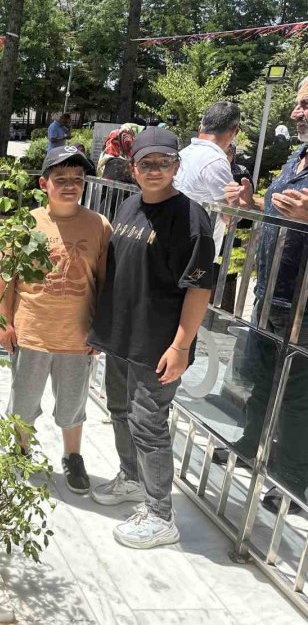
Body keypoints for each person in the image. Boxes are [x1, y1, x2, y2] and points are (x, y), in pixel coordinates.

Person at [88, 127, 215, 549]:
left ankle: (161, 513)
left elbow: (199, 288)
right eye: (147, 163)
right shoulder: (127, 207)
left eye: (164, 162)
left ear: (177, 166)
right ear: (134, 168)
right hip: (121, 336)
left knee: (149, 423)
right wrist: (99, 330)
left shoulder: (192, 218)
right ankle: (130, 476)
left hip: (158, 345)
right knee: (120, 410)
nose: (155, 169)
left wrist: (181, 345)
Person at [216, 77, 308, 513]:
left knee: (298, 395)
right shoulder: (299, 155)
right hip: (273, 294)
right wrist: (252, 204)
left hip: (305, 307)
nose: (295, 112)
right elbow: (281, 213)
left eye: (305, 104)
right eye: (296, 104)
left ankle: (289, 480)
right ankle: (250, 445)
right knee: (264, 379)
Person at [0, 146, 112, 495]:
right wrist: (4, 321)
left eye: (77, 180)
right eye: (60, 179)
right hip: (32, 332)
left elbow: (105, 284)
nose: (69, 186)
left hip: (77, 338)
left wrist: (101, 332)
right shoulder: (26, 224)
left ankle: (73, 456)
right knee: (24, 400)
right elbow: (7, 277)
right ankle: (20, 450)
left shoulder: (99, 226)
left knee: (73, 404)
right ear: (44, 183)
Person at [174, 101, 241, 252]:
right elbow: (229, 217)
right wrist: (239, 202)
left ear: (201, 126)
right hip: (195, 254)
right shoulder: (215, 160)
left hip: (174, 241)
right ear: (234, 131)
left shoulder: (184, 153)